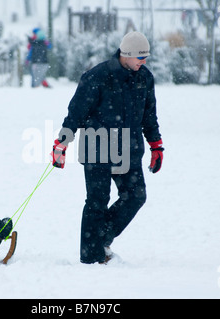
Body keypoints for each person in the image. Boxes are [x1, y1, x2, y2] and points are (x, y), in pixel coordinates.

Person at [51, 31, 164, 264]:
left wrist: (156, 146)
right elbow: (76, 113)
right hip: (97, 147)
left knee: (136, 195)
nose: (144, 62)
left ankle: (100, 237)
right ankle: (91, 257)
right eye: (140, 58)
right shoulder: (97, 76)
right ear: (127, 55)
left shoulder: (145, 78)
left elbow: (149, 116)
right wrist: (62, 143)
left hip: (129, 150)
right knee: (97, 201)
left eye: (146, 58)